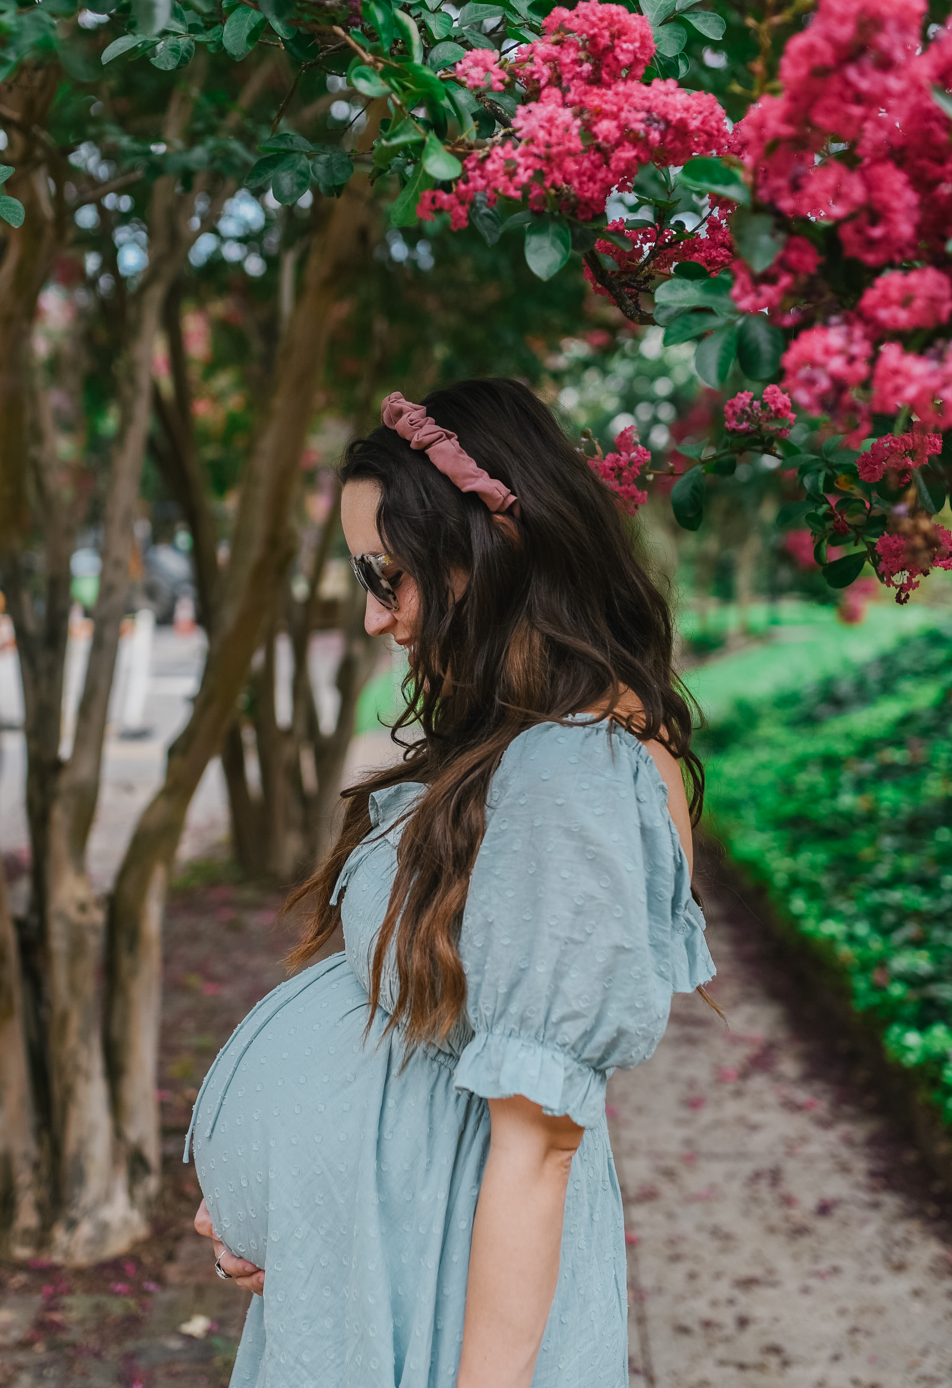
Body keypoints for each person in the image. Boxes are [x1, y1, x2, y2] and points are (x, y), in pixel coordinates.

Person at [187, 378, 717, 1388]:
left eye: (387, 575)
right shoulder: (518, 744)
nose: (380, 616)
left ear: (485, 552)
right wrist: (287, 1204)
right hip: (377, 1258)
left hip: (437, 1284)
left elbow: (539, 1143)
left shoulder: (574, 773)